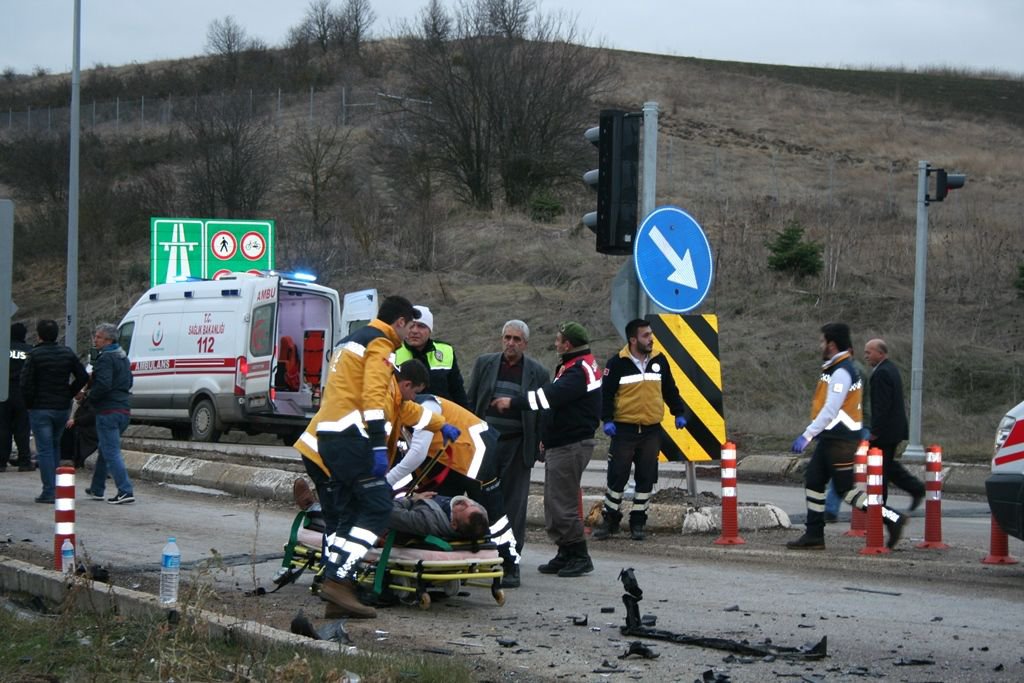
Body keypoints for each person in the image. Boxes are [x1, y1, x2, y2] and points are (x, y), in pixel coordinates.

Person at [293, 296, 459, 619]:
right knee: (377, 507)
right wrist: (378, 445)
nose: (408, 333)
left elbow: (403, 409)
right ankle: (339, 578)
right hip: (349, 439)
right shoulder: (380, 344)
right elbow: (371, 399)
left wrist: (441, 424)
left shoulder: (352, 342)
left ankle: (337, 589)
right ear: (399, 322)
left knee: (345, 516)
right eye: (408, 326)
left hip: (333, 437)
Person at [388, 359, 521, 587]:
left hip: (478, 456)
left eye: (416, 393)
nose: (412, 397)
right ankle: (451, 568)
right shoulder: (400, 409)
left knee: (493, 516)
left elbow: (418, 452)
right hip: (452, 464)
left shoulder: (426, 406)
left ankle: (510, 564)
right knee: (445, 516)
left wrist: (386, 482)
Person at [492, 321, 601, 578]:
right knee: (554, 503)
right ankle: (565, 552)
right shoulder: (577, 364)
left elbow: (548, 397)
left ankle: (579, 555)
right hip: (561, 443)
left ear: (568, 344)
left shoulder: (578, 370)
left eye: (558, 339)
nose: (555, 343)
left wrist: (513, 402)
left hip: (570, 444)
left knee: (562, 503)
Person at [787, 322, 906, 550]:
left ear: (831, 344)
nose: (820, 345)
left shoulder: (842, 371)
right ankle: (814, 534)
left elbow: (831, 409)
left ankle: (891, 518)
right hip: (832, 438)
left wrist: (807, 435)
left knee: (844, 490)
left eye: (823, 341)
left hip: (841, 439)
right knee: (813, 480)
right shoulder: (836, 367)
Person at [466, 319, 549, 582]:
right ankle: (480, 556)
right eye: (507, 338)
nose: (510, 343)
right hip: (485, 445)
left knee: (513, 505)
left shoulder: (537, 372)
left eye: (516, 339)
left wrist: (541, 442)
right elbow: (471, 401)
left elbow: (542, 411)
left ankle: (510, 562)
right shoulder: (485, 364)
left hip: (517, 445)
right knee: (480, 502)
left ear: (525, 343)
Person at [595, 318, 689, 541]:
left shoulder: (659, 360)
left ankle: (638, 522)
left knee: (646, 478)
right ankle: (610, 521)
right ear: (633, 339)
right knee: (617, 477)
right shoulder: (617, 363)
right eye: (646, 335)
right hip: (624, 430)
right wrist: (607, 420)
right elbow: (605, 395)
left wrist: (679, 412)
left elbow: (670, 389)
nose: (651, 338)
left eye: (651, 334)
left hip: (651, 431)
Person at [20, 319, 89, 504]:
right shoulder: (67, 353)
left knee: (44, 450)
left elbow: (25, 383)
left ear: (40, 335)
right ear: (57, 334)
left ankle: (49, 491)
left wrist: (29, 403)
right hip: (61, 407)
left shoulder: (34, 355)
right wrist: (70, 392)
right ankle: (58, 488)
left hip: (40, 408)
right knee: (55, 446)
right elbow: (83, 375)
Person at [864, 338, 925, 511]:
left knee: (879, 467)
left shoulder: (882, 373)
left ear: (881, 353)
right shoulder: (889, 369)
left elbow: (881, 405)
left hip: (885, 431)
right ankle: (914, 489)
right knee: (886, 465)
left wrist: (875, 431)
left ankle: (879, 505)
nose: (866, 356)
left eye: (869, 352)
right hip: (892, 429)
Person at [83, 323, 136, 504]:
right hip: (123, 409)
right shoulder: (123, 357)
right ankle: (97, 488)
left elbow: (103, 384)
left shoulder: (105, 358)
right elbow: (129, 382)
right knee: (106, 449)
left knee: (111, 451)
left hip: (108, 410)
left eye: (98, 337)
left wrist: (90, 397)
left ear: (108, 340)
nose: (95, 340)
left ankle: (125, 490)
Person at [394, 305, 469, 407]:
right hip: (407, 416)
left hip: (443, 415)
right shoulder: (393, 351)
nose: (415, 331)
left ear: (430, 330)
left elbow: (457, 390)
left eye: (421, 326)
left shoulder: (445, 350)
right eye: (411, 325)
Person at [390, 491, 490, 540]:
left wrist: (411, 500)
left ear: (454, 524)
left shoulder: (426, 521)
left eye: (463, 507)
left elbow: (385, 512)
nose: (465, 501)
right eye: (471, 504)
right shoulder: (477, 518)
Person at [1, 322, 33, 472]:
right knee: (22, 429)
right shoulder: (30, 351)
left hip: (3, 392)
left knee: (3, 428)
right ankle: (24, 461)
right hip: (23, 393)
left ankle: (1, 461)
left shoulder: (2, 348)